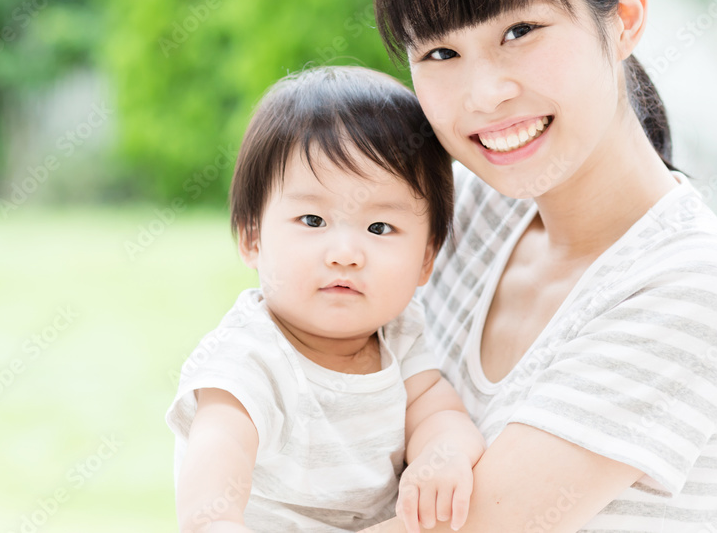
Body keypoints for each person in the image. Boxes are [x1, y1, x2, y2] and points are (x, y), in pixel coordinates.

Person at [364, 0, 717, 532]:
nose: (484, 93)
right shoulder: (457, 215)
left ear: (626, 18)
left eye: (521, 30)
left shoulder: (700, 287)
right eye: (440, 52)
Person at [166, 66, 487, 532]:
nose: (345, 255)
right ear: (253, 236)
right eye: (313, 220)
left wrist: (443, 456)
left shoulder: (400, 333)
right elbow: (217, 463)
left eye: (380, 228)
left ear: (426, 258)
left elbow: (436, 410)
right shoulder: (249, 357)